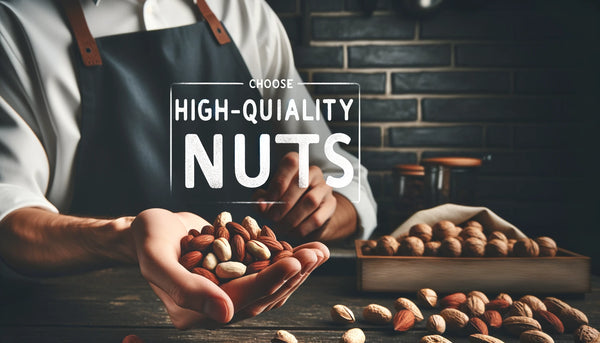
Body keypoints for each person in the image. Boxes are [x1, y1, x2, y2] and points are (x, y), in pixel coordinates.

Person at [0, 0, 377, 328]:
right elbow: (9, 217)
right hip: (77, 321)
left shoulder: (244, 10)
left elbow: (345, 181)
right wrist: (125, 236)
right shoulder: (15, 24)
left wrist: (317, 208)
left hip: (270, 313)